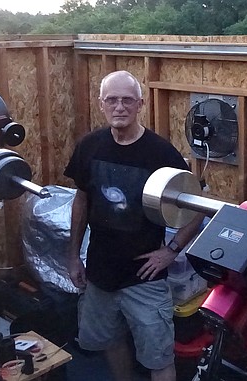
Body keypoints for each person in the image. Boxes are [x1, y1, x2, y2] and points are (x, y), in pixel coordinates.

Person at [64, 70, 203, 381]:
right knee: (110, 341)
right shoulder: (89, 146)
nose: (119, 107)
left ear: (141, 104)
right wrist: (73, 256)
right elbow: (81, 201)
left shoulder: (161, 153)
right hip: (100, 271)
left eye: (127, 100)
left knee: (159, 359)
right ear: (101, 104)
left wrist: (171, 251)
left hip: (145, 276)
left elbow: (197, 207)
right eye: (112, 100)